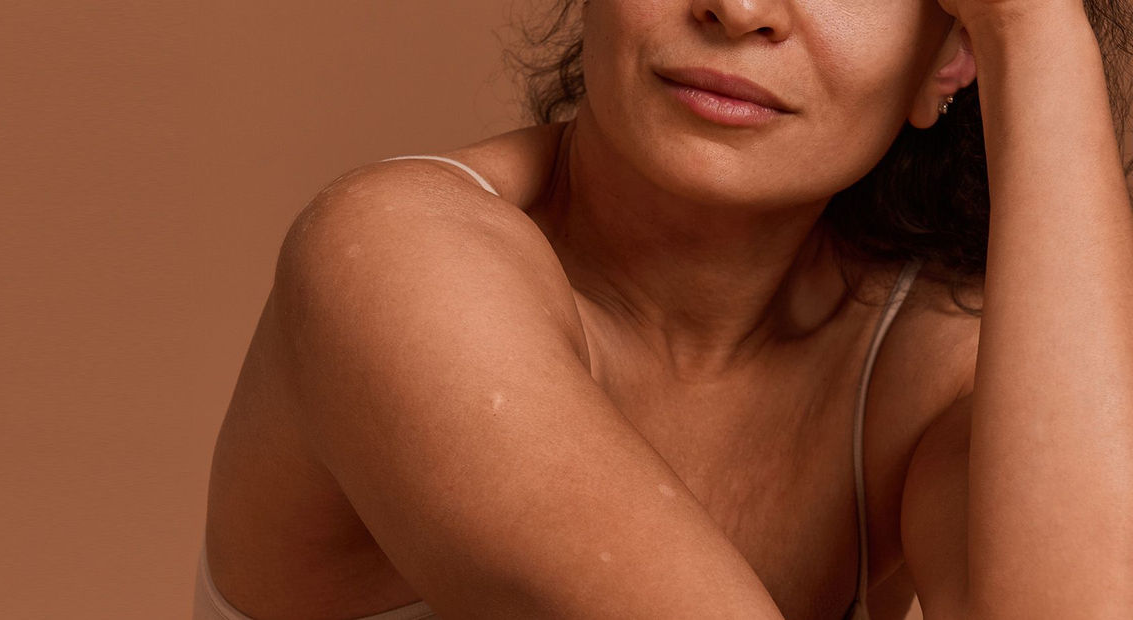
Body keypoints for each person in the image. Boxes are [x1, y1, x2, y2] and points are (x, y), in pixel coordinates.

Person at [195, 0, 1133, 618]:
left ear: (950, 53)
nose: (740, 5)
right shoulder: (393, 258)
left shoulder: (926, 370)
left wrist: (1037, 32)